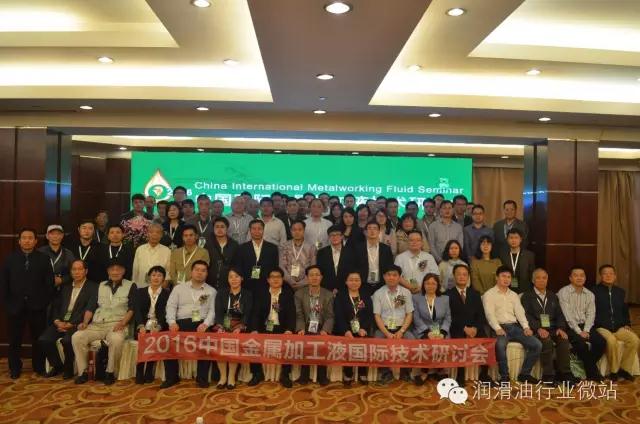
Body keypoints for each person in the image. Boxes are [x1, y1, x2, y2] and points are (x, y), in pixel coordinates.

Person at [72, 259, 136, 385]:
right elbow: (91, 306)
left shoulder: (131, 285)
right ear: (108, 271)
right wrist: (85, 323)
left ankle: (110, 372)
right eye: (112, 269)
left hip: (117, 324)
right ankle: (83, 372)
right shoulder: (100, 285)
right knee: (77, 337)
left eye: (118, 269)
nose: (115, 272)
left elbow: (132, 308)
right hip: (97, 324)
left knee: (116, 340)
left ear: (123, 271)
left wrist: (123, 323)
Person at [1, 228, 55, 379]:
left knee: (38, 339)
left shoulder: (44, 259)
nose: (27, 241)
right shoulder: (10, 259)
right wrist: (8, 304)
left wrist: (43, 302)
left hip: (37, 307)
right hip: (15, 307)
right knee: (14, 340)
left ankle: (38, 366)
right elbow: (4, 284)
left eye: (30, 238)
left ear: (35, 241)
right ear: (19, 241)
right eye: (24, 238)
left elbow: (49, 284)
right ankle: (14, 368)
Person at [482, 265, 542, 384]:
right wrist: (497, 328)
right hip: (499, 327)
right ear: (497, 277)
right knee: (500, 345)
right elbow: (489, 314)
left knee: (537, 345)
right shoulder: (489, 294)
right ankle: (505, 376)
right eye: (503, 276)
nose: (506, 279)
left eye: (509, 277)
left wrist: (526, 327)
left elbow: (520, 312)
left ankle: (524, 374)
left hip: (515, 327)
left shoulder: (514, 295)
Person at [39, 260, 98, 379]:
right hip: (61, 322)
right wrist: (57, 321)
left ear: (86, 271)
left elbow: (89, 308)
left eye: (80, 269)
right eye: (74, 269)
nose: (77, 272)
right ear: (70, 272)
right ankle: (57, 366)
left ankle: (68, 368)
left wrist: (71, 324)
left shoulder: (93, 287)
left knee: (67, 340)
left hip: (78, 324)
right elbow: (56, 306)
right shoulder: (65, 287)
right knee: (44, 340)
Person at [163, 260, 216, 388]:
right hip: (181, 322)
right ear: (191, 272)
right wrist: (172, 322)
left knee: (207, 340)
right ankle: (172, 377)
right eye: (197, 270)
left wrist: (206, 324)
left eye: (203, 270)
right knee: (168, 340)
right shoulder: (179, 288)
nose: (200, 273)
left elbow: (212, 311)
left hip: (201, 323)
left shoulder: (211, 291)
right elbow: (170, 306)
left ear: (207, 274)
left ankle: (202, 378)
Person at [520, 268, 575, 385]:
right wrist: (538, 328)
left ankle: (565, 373)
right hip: (536, 329)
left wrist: (560, 328)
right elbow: (525, 315)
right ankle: (548, 375)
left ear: (547, 280)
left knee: (563, 340)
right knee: (546, 340)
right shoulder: (527, 296)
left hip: (553, 328)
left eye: (544, 278)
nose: (542, 280)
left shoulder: (552, 295)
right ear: (533, 280)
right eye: (538, 278)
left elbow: (560, 314)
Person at [446, 264, 493, 386]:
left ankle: (484, 374)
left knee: (486, 342)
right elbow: (449, 316)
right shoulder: (447, 294)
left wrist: (475, 328)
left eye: (464, 274)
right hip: (457, 327)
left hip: (475, 327)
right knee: (460, 343)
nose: (462, 277)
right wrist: (464, 328)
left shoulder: (475, 294)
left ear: (468, 277)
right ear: (454, 276)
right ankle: (460, 375)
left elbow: (481, 315)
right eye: (459, 274)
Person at [249, 268, 296, 387]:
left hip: (281, 327)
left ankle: (285, 374)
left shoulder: (287, 294)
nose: (275, 279)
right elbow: (255, 313)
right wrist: (254, 329)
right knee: (253, 342)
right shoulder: (261, 294)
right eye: (272, 277)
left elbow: (291, 314)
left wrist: (289, 329)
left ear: (282, 279)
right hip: (264, 326)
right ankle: (257, 373)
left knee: (289, 343)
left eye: (278, 277)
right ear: (268, 280)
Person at [558, 266, 606, 382]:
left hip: (585, 326)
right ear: (570, 278)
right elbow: (567, 316)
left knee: (601, 342)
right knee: (581, 344)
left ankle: (587, 367)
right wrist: (579, 332)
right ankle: (592, 372)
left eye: (582, 275)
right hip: (569, 326)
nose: (579, 278)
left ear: (585, 278)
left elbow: (591, 314)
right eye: (576, 275)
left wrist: (586, 330)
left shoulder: (590, 294)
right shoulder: (563, 292)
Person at [593, 265, 638, 381]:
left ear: (615, 276)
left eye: (611, 273)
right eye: (605, 273)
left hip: (618, 327)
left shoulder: (620, 292)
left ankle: (624, 369)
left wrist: (627, 323)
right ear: (600, 276)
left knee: (634, 340)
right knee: (611, 341)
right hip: (601, 327)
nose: (608, 276)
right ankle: (614, 371)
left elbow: (624, 309)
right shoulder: (593, 291)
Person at [373, 265, 414, 384]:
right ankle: (386, 373)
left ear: (399, 277)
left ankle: (405, 372)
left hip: (402, 327)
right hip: (384, 328)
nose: (391, 277)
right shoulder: (378, 293)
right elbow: (377, 316)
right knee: (377, 342)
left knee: (412, 341)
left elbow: (409, 314)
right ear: (384, 277)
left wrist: (401, 331)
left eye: (394, 275)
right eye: (389, 275)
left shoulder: (406, 292)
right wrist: (387, 333)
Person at [295, 266, 335, 385]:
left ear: (321, 277)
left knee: (322, 345)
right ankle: (304, 375)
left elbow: (330, 316)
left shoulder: (328, 294)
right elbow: (299, 314)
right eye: (311, 275)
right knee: (305, 345)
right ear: (307, 278)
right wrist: (301, 328)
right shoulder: (299, 294)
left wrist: (325, 330)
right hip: (306, 325)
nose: (314, 277)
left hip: (321, 326)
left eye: (317, 275)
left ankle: (322, 376)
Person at [214, 268, 253, 389]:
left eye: (237, 276)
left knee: (233, 346)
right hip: (223, 324)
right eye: (231, 277)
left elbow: (247, 314)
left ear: (242, 278)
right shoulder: (221, 293)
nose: (234, 279)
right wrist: (220, 326)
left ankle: (231, 377)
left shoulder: (247, 294)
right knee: (220, 347)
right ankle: (223, 377)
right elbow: (218, 312)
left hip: (239, 325)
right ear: (227, 279)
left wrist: (240, 327)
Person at [333, 271, 373, 386]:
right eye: (351, 280)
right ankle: (348, 373)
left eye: (357, 280)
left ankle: (362, 372)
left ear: (360, 282)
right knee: (347, 346)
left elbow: (369, 314)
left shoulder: (365, 296)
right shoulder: (340, 296)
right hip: (345, 329)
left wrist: (364, 328)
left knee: (363, 345)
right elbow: (339, 315)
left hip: (362, 329)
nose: (354, 282)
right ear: (346, 282)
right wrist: (346, 330)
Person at [410, 274, 451, 385]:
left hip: (440, 329)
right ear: (423, 285)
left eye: (433, 283)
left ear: (438, 285)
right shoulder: (416, 298)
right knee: (426, 344)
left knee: (442, 343)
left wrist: (443, 332)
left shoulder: (445, 299)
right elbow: (416, 318)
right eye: (427, 283)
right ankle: (424, 372)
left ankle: (440, 369)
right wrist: (428, 332)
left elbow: (448, 318)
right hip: (423, 329)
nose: (430, 286)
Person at [133, 265, 169, 384]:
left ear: (163, 278)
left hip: (158, 325)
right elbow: (137, 311)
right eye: (153, 275)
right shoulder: (140, 292)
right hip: (143, 324)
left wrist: (159, 326)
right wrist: (140, 326)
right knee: (144, 338)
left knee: (154, 338)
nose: (156, 278)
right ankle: (139, 371)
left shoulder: (167, 294)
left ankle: (149, 370)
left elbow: (166, 313)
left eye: (159, 275)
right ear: (149, 277)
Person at [233, 219, 279, 297]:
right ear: (250, 230)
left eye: (259, 229)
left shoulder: (272, 248)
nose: (256, 231)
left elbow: (275, 267)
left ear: (263, 230)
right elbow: (239, 267)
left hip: (266, 286)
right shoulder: (242, 248)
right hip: (247, 286)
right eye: (254, 229)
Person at [355, 221, 394, 298]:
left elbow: (390, 268)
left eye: (375, 228)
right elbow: (354, 267)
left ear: (379, 232)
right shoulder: (357, 248)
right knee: (362, 305)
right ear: (365, 232)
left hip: (381, 285)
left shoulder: (386, 249)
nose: (372, 231)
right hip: (362, 285)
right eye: (369, 228)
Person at [395, 230, 439, 294]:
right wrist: (410, 287)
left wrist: (422, 288)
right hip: (405, 293)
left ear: (422, 242)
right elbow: (396, 276)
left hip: (425, 292)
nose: (414, 242)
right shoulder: (400, 258)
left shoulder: (429, 257)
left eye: (418, 240)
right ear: (407, 242)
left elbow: (435, 275)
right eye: (411, 240)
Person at [316, 225, 356, 293]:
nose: (335, 237)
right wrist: (331, 288)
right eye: (332, 235)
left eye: (337, 234)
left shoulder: (351, 252)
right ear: (329, 237)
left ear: (342, 236)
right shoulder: (321, 252)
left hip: (346, 288)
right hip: (326, 289)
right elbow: (320, 272)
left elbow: (352, 271)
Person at [279, 220, 317, 291]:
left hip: (306, 284)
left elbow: (313, 267)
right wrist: (290, 281)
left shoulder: (311, 247)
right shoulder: (284, 246)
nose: (297, 232)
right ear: (291, 231)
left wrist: (303, 282)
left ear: (304, 230)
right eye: (294, 230)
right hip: (287, 283)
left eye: (300, 229)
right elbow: (281, 266)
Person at [132, 223, 171, 288]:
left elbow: (168, 271)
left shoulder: (167, 251)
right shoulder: (140, 249)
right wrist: (134, 285)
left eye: (158, 232)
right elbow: (135, 270)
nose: (154, 234)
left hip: (159, 287)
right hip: (141, 286)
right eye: (151, 232)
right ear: (147, 234)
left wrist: (163, 287)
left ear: (161, 235)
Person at [38, 224, 75, 291]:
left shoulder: (69, 253)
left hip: (64, 289)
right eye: (52, 234)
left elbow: (75, 272)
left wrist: (62, 280)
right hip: (43, 289)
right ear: (47, 236)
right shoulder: (39, 252)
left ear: (62, 236)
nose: (55, 236)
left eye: (58, 234)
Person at [498, 228, 535, 294]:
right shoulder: (502, 255)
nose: (513, 240)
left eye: (516, 238)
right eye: (511, 238)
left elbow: (532, 274)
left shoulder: (529, 255)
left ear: (520, 239)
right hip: (507, 290)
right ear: (507, 240)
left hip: (525, 290)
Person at [206, 217, 239, 290]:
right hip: (209, 283)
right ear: (213, 228)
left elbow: (236, 265)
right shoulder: (207, 244)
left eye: (222, 227)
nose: (219, 229)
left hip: (228, 283)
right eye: (217, 227)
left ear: (227, 229)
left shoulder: (234, 245)